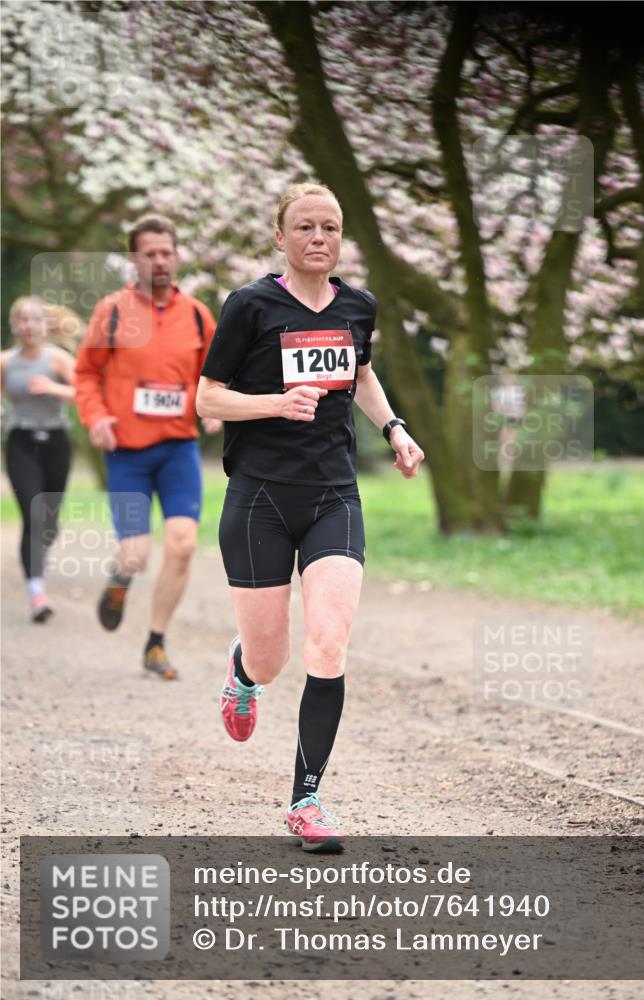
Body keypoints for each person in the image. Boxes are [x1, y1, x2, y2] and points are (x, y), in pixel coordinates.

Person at [197, 183, 425, 851]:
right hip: (259, 497)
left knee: (326, 645)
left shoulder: (358, 305)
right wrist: (274, 403)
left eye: (329, 226)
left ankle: (306, 800)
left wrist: (393, 428)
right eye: (304, 227)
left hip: (333, 495)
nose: (318, 237)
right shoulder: (249, 305)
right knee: (272, 659)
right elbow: (208, 396)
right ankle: (242, 676)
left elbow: (359, 374)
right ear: (280, 238)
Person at [74, 214, 221, 680]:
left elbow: (213, 376)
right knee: (135, 552)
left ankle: (155, 642)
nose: (158, 260)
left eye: (165, 252)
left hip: (177, 449)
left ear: (176, 256)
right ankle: (121, 577)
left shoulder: (198, 316)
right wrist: (95, 417)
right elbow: (84, 374)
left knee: (182, 545)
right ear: (133, 260)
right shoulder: (112, 311)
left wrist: (213, 406)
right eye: (148, 253)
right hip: (128, 454)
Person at [1, 297, 75, 622]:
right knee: (33, 513)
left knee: (48, 520)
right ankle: (37, 593)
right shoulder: (5, 361)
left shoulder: (58, 360)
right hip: (20, 442)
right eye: (23, 319)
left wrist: (54, 389)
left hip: (56, 443)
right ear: (14, 325)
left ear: (45, 325)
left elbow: (87, 392)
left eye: (35, 319)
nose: (29, 325)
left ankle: (39, 555)